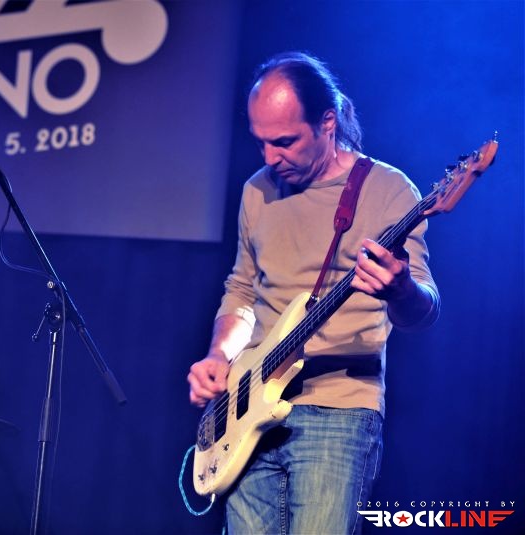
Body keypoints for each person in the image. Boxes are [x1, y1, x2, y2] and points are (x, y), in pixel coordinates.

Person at [187, 52, 440, 534]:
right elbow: (242, 290)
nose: (269, 158)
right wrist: (219, 354)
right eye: (260, 142)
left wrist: (400, 288)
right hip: (248, 411)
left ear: (327, 122)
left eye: (284, 142)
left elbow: (423, 312)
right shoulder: (257, 191)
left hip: (338, 409)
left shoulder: (388, 190)